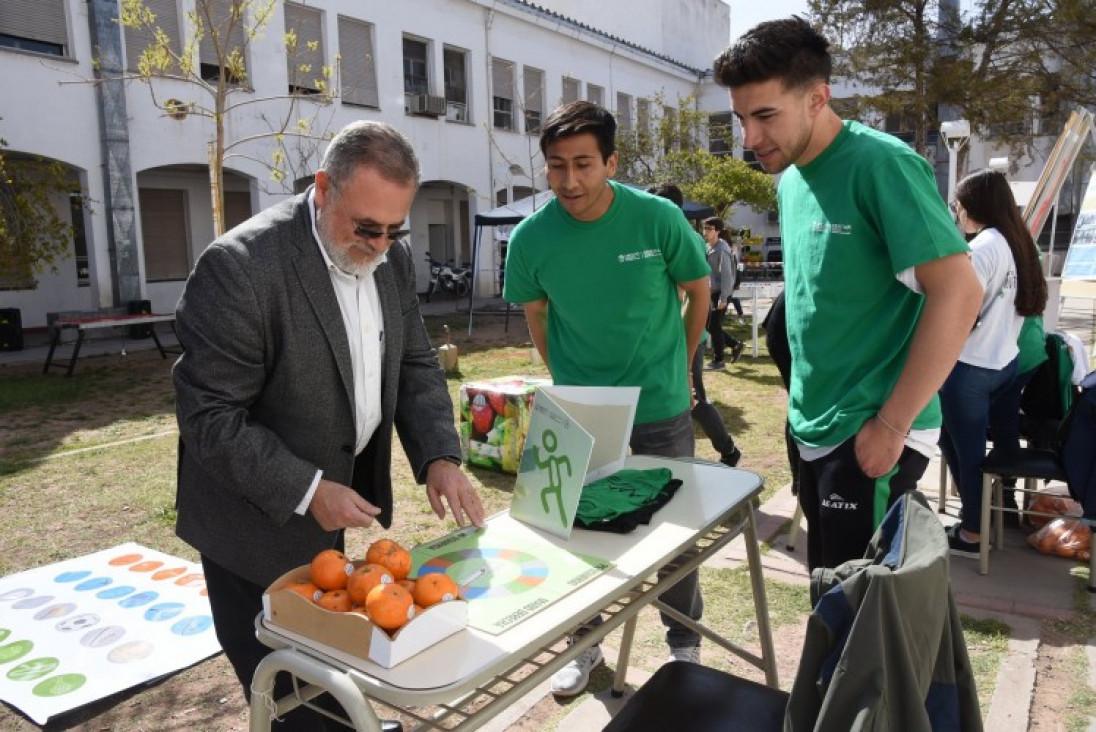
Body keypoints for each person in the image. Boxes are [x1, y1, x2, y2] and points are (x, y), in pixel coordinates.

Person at [173, 120, 486, 730]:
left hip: (334, 505)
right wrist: (309, 489)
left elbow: (416, 361)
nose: (380, 246)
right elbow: (210, 418)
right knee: (287, 692)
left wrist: (439, 456)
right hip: (252, 521)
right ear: (323, 188)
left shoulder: (388, 258)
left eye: (396, 230)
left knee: (330, 662)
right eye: (366, 228)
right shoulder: (239, 268)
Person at [713, 17, 983, 570]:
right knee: (831, 593)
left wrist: (891, 425)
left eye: (765, 116)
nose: (750, 139)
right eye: (741, 118)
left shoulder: (882, 163)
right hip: (814, 423)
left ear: (817, 98)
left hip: (872, 430)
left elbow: (959, 293)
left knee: (863, 620)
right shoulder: (789, 177)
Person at [504, 101, 711, 696]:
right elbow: (536, 315)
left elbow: (697, 293)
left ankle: (683, 645)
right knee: (573, 538)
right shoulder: (531, 238)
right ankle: (583, 645)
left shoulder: (658, 218)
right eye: (556, 166)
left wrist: (682, 362)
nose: (570, 181)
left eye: (584, 165)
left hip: (660, 406)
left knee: (674, 538)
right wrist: (565, 381)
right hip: (577, 415)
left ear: (611, 161)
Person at [940, 169, 1048, 557]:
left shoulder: (983, 247)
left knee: (968, 454)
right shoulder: (1017, 242)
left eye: (959, 206)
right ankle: (992, 514)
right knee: (979, 445)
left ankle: (973, 532)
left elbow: (960, 312)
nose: (956, 213)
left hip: (971, 367)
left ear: (973, 206)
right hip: (1005, 363)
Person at [648, 183, 742, 467]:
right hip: (665, 334)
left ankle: (728, 450)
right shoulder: (665, 234)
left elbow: (691, 292)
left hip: (685, 334)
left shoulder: (682, 237)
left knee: (693, 397)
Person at [701, 216, 746, 368]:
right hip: (711, 291)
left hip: (720, 293)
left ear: (718, 231)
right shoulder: (708, 247)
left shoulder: (722, 250)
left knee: (713, 326)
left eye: (709, 229)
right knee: (711, 326)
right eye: (704, 228)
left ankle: (719, 360)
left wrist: (724, 298)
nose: (705, 232)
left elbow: (727, 276)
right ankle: (735, 345)